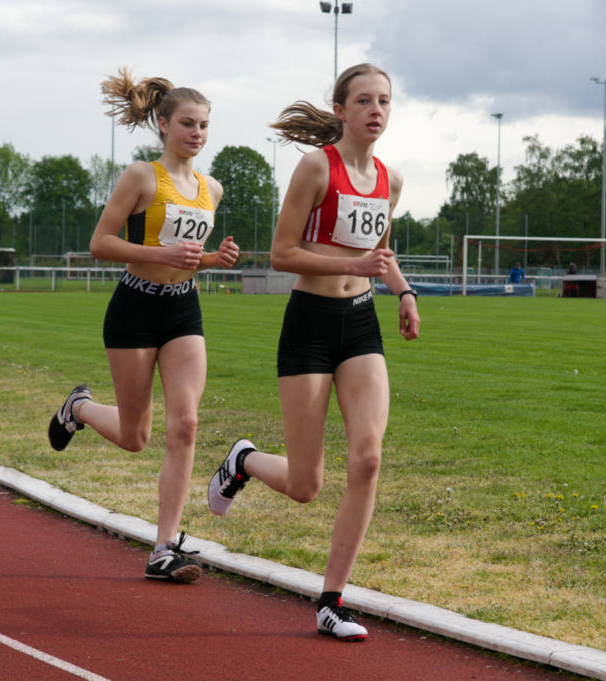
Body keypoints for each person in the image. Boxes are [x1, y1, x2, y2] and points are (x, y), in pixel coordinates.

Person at [207, 63, 419, 641]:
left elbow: (380, 252)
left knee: (368, 458)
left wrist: (403, 292)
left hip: (361, 325)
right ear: (341, 110)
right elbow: (281, 253)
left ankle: (332, 600)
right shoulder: (314, 168)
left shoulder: (390, 181)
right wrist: (350, 265)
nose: (376, 110)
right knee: (306, 485)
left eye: (385, 101)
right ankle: (243, 461)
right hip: (309, 325)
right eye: (365, 101)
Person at [48, 67, 239, 583]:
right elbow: (100, 244)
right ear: (163, 124)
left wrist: (211, 262)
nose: (196, 134)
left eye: (203, 126)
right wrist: (163, 251)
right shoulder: (140, 177)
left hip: (183, 310)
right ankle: (80, 408)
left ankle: (163, 548)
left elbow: (185, 260)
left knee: (186, 423)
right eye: (187, 124)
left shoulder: (210, 189)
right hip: (134, 306)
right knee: (135, 435)